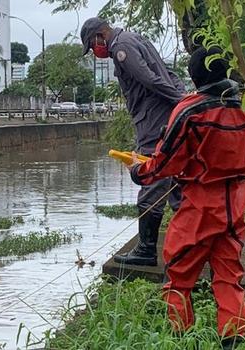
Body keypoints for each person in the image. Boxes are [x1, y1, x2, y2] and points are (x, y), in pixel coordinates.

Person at [127, 46, 245, 349]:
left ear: (194, 76)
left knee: (178, 275)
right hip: (235, 205)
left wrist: (139, 171)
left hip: (200, 206)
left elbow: (165, 161)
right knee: (229, 276)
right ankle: (233, 341)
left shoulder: (190, 110)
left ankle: (180, 337)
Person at [81, 17, 185, 266]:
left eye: (92, 47)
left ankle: (146, 250)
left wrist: (181, 101)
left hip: (152, 121)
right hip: (165, 117)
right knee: (176, 178)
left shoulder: (120, 48)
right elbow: (168, 72)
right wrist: (181, 99)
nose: (96, 52)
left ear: (99, 37)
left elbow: (150, 79)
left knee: (151, 174)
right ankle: (192, 243)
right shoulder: (137, 38)